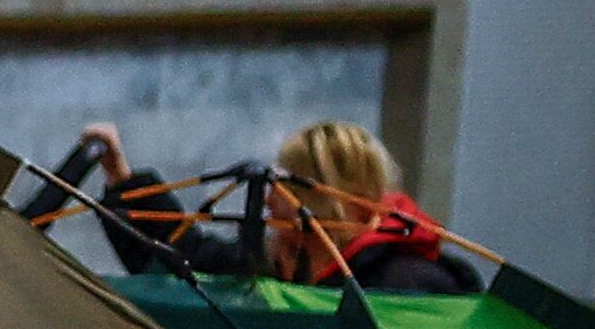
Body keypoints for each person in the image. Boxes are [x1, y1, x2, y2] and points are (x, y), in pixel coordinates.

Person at [81, 117, 483, 295]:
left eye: (285, 182)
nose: (269, 194)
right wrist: (120, 176)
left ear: (323, 194)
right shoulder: (278, 265)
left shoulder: (407, 286)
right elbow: (186, 256)